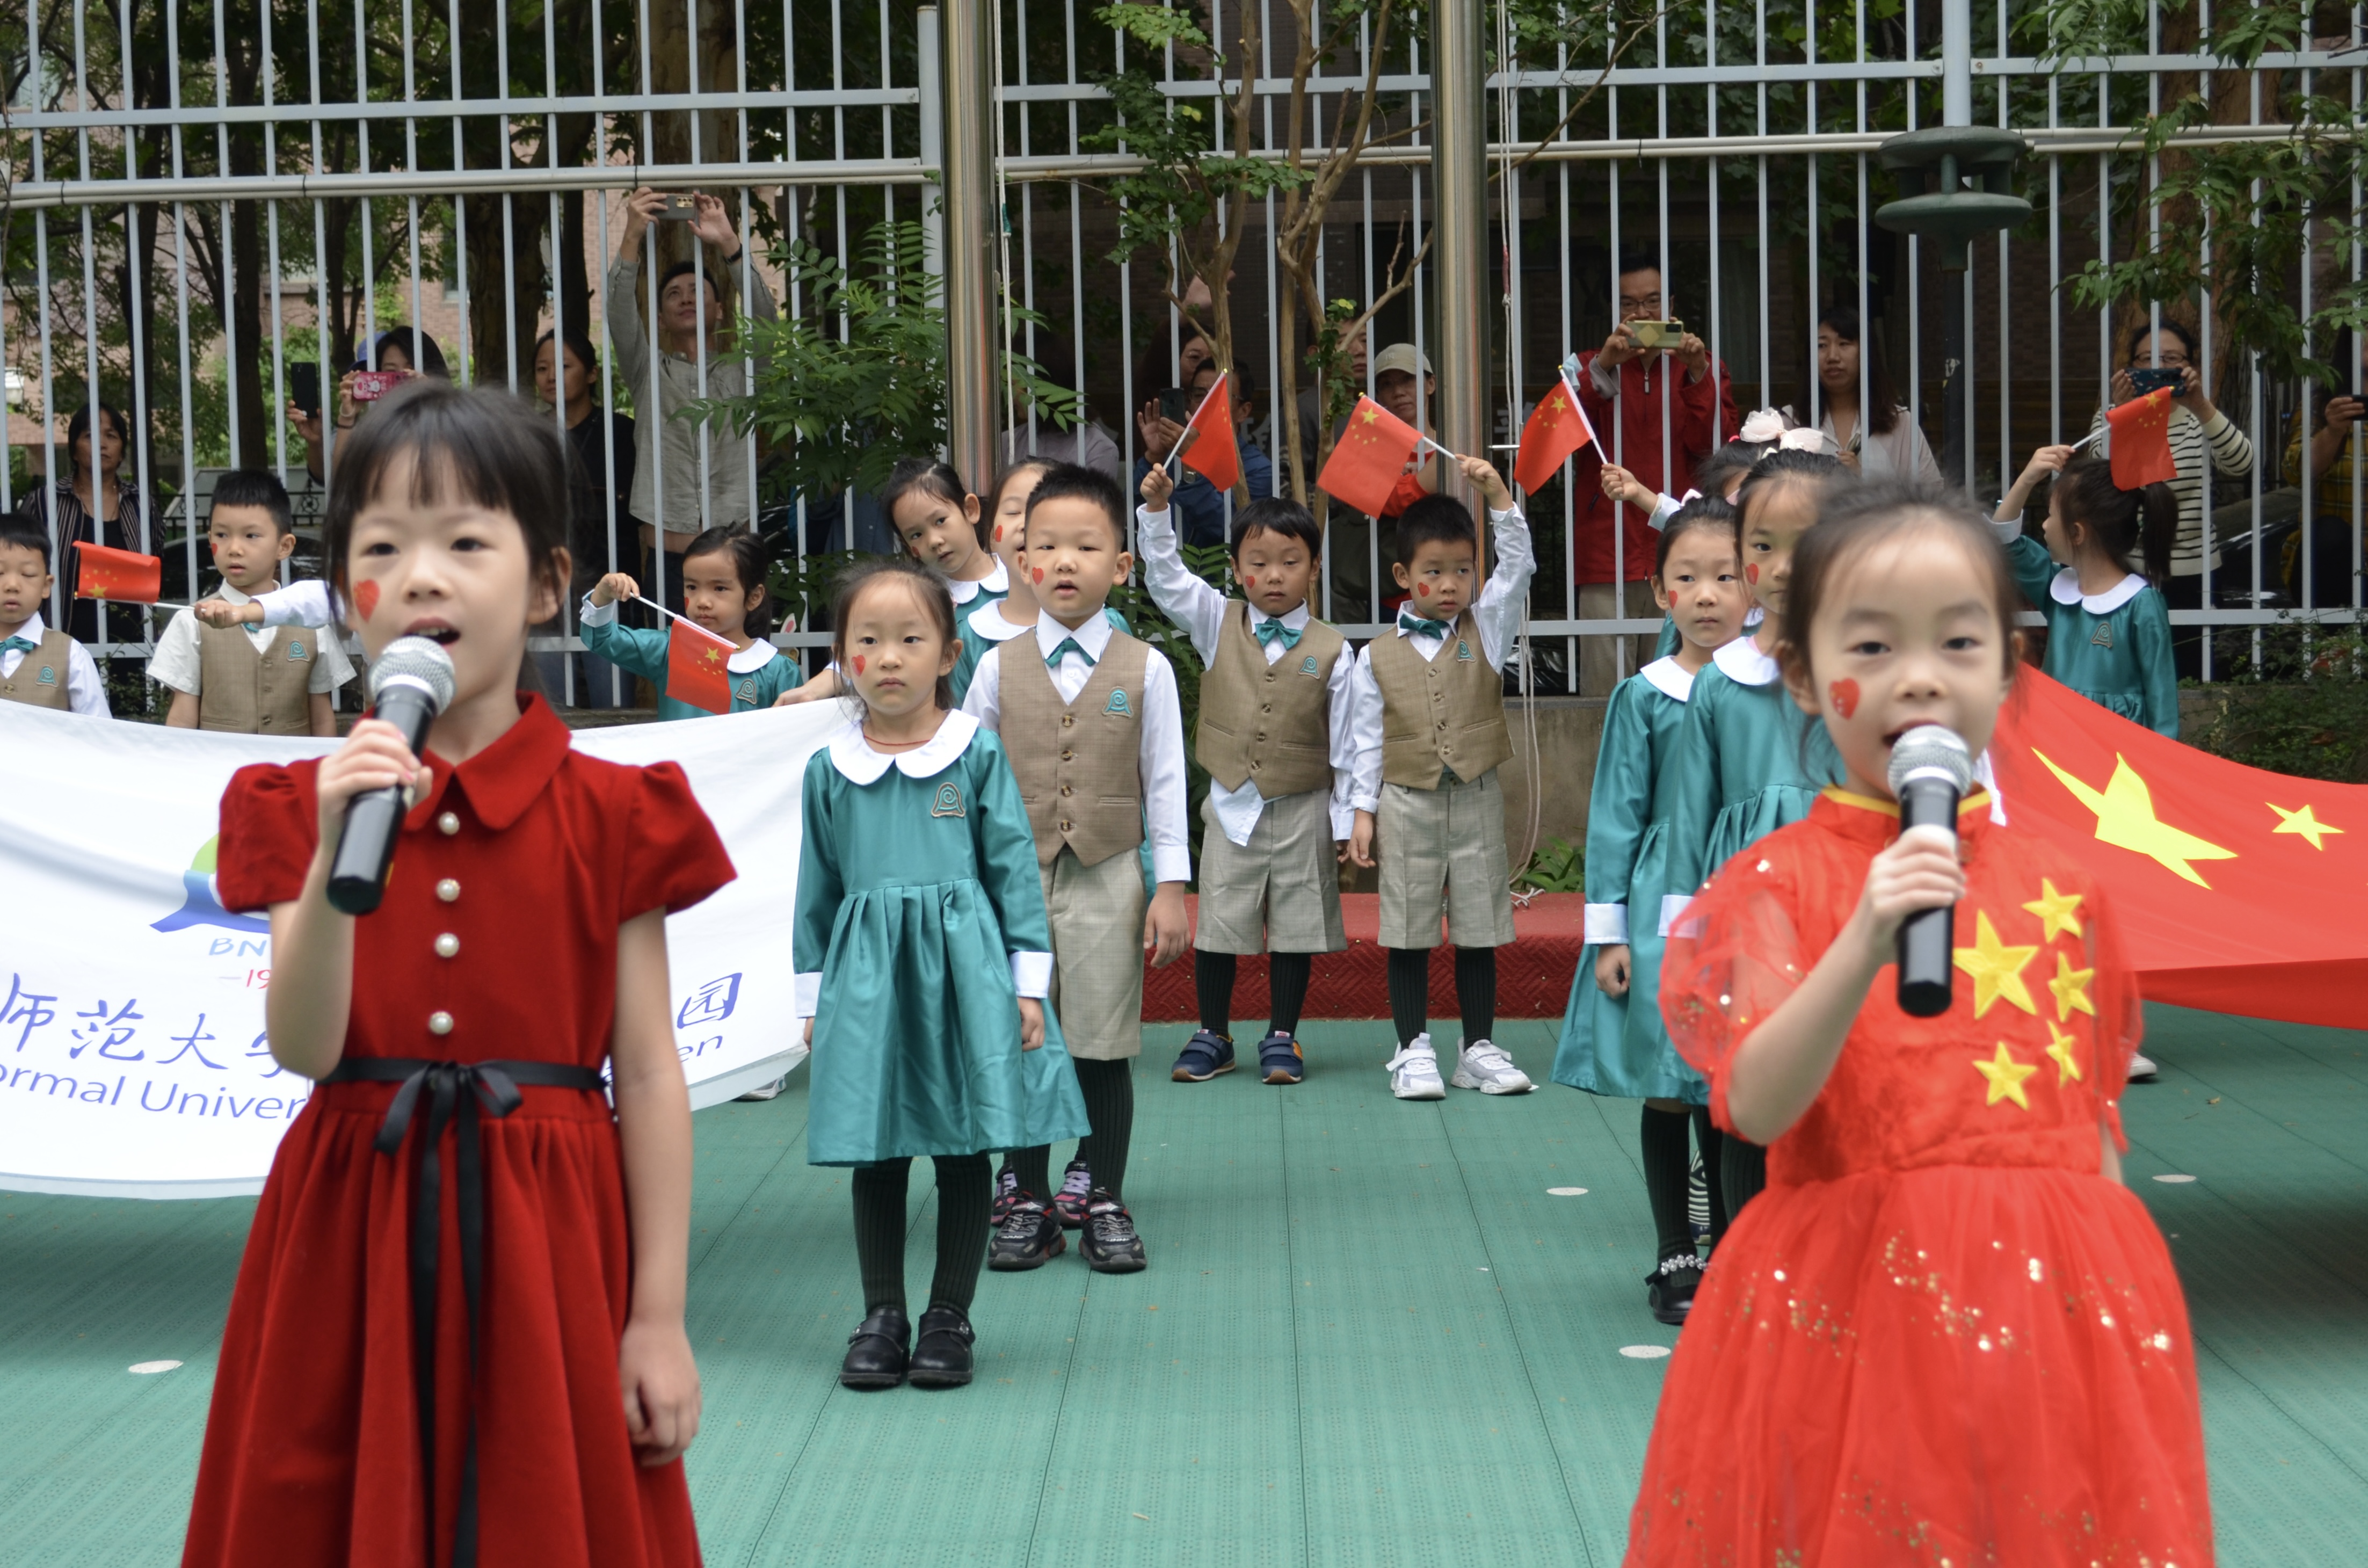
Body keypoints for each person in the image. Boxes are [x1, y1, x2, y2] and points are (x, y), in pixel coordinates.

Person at [182, 380, 728, 1567]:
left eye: (467, 542)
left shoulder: (618, 811)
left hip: (553, 1242)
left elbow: (647, 1068)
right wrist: (336, 845)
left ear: (545, 583)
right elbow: (306, 1046)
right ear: (347, 596)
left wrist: (658, 1316)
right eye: (382, 548)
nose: (422, 577)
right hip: (349, 1233)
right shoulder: (293, 803)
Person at [1624, 477, 2209, 1566]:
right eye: (1874, 645)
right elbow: (1756, 1103)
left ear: (2009, 668)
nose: (1923, 675)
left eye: (1959, 641)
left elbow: (2089, 1126)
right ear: (1802, 674)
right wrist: (1864, 937)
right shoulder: (1776, 883)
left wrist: (2114, 1319)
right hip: (1847, 1311)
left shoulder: (2063, 888)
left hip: (2041, 1308)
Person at [796, 556, 1091, 1390]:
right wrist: (813, 995)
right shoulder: (829, 769)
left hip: (964, 976)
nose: (888, 658)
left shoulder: (974, 754)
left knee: (964, 1143)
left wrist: (1026, 985)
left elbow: (1011, 869)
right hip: (867, 984)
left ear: (948, 655)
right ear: (843, 657)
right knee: (878, 1147)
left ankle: (948, 1316)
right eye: (867, 641)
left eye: (910, 639)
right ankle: (882, 1314)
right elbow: (816, 888)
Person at [961, 464, 1193, 1272]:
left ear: (1121, 566)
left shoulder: (1146, 668)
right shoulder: (994, 668)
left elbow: (1166, 782)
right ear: (1023, 563)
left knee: (1101, 1044)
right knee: (1024, 1037)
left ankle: (1103, 1199)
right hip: (1013, 885)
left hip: (1109, 874)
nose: (1065, 561)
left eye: (1087, 547)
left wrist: (1170, 887)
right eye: (1047, 546)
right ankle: (1026, 1200)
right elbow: (970, 780)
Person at [1551, 496, 1748, 1325]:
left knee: (1732, 1082)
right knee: (1670, 1082)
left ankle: (1736, 1246)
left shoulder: (1772, 689)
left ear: (1755, 585)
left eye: (1725, 577)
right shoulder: (1644, 695)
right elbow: (1616, 816)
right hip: (1663, 909)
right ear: (1662, 593)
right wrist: (1608, 935)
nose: (1706, 595)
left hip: (1749, 903)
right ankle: (1675, 1251)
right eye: (1687, 578)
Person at [1661, 448, 1851, 1219]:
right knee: (1748, 1076)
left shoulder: (1863, 670)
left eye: (1805, 544)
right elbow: (1689, 813)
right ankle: (1745, 1248)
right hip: (1746, 918)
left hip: (1843, 912)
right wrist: (1680, 928)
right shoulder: (1718, 680)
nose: (1780, 567)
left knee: (1840, 1075)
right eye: (1762, 546)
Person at [1136, 470, 1354, 1089]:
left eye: (1291, 561)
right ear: (1235, 569)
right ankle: (1215, 1032)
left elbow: (1350, 743)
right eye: (1259, 563)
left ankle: (1283, 1034)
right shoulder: (1216, 620)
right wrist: (1156, 513)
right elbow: (1167, 578)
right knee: (1220, 924)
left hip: (1304, 803)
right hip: (1232, 801)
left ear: (1314, 567)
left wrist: (1347, 818)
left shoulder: (1335, 650)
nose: (1275, 575)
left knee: (1295, 927)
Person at [1344, 459, 1539, 1101]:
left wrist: (1499, 496)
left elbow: (1518, 567)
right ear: (1403, 576)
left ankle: (1477, 1047)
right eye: (1434, 571)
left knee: (1481, 925)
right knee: (1408, 927)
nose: (1450, 584)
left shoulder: (1488, 629)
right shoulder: (1373, 656)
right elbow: (1364, 741)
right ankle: (1412, 1047)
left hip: (1476, 796)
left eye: (1462, 570)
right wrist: (1361, 813)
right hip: (1406, 801)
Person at [1571, 250, 1740, 695]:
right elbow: (1569, 433)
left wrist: (1699, 372)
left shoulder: (1701, 365)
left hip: (1684, 547)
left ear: (1671, 306)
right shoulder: (1589, 365)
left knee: (1679, 689)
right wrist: (1604, 366)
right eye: (1629, 304)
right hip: (1607, 550)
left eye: (1652, 302)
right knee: (1605, 694)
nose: (1642, 314)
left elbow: (1718, 450)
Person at [607, 188, 780, 596]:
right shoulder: (648, 371)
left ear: (720, 309)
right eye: (674, 294)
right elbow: (619, 314)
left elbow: (766, 319)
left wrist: (729, 243)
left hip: (735, 560)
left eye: (696, 291)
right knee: (664, 643)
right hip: (669, 562)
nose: (685, 298)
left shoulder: (745, 372)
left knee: (740, 643)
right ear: (661, 319)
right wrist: (632, 236)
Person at [2086, 319, 2254, 673]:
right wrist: (2124, 415)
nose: (2157, 367)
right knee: (2131, 674)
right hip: (2127, 569)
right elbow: (2101, 478)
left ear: (2189, 366)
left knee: (2193, 672)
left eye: (2171, 358)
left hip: (2195, 570)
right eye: (2146, 359)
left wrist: (2201, 405)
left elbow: (2242, 463)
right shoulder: (2112, 415)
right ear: (2131, 367)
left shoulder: (2198, 418)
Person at [774, 459, 1007, 708]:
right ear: (907, 546)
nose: (934, 541)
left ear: (970, 509)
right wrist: (812, 690)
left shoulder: (1019, 577)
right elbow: (865, 648)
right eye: (916, 534)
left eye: (940, 520)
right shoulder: (915, 598)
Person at [1994, 447, 2181, 737]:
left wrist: (2160, 762)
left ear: (2077, 533)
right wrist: (2027, 479)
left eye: (2051, 515)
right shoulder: (2057, 588)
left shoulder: (2140, 604)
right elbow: (2003, 540)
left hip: (2116, 749)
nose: (2044, 525)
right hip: (2054, 737)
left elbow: (2162, 702)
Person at [151, 471, 353, 735]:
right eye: (222, 535)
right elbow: (182, 718)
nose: (234, 548)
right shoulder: (192, 621)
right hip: (220, 762)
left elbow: (322, 717)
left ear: (284, 546)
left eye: (251, 536)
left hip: (292, 761)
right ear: (210, 539)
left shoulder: (312, 623)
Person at [950, 460, 1132, 712]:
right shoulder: (971, 638)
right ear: (991, 536)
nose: (1027, 524)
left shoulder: (1111, 625)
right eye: (1013, 512)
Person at [580, 526, 799, 717]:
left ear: (754, 597)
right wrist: (603, 593)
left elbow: (797, 738)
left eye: (720, 588)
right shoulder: (669, 649)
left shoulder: (779, 671)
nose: (702, 602)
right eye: (692, 587)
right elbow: (602, 638)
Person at [535, 324, 641, 706]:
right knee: (552, 712)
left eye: (564, 366)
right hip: (546, 591)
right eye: (542, 368)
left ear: (592, 373)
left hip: (609, 589)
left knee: (614, 708)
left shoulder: (621, 433)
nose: (551, 376)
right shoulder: (529, 436)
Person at [28, 402, 148, 648]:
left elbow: (154, 560)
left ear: (122, 452)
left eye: (111, 436)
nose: (102, 444)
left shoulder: (141, 503)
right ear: (74, 450)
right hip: (60, 641)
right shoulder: (46, 502)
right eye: (90, 436)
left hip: (132, 644)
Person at [1134, 360, 1276, 549]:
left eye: (1219, 396)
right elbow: (1132, 518)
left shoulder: (1259, 469)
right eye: (1200, 395)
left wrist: (1194, 464)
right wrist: (1155, 457)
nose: (1207, 404)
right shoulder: (1173, 458)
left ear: (1244, 411)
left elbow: (1228, 529)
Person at [288, 328, 452, 484]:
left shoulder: (454, 418)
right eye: (389, 372)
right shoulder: (362, 429)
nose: (402, 379)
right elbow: (338, 479)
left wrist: (432, 399)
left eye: (410, 371)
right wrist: (345, 418)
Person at [1797, 304, 1941, 480]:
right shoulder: (1790, 423)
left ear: (1866, 353)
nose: (1833, 356)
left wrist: (1863, 479)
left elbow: (1930, 491)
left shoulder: (1899, 423)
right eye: (1821, 345)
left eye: (1844, 344)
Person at [2281, 330, 2367, 608]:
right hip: (2331, 565)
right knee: (2332, 532)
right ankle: (2334, 630)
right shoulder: (2322, 404)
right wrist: (2333, 431)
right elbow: (2295, 472)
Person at [0, 515, 109, 714]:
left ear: (46, 585)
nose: (12, 585)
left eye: (28, 574)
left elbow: (97, 727)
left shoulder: (71, 654)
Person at [1003, 331, 1125, 484]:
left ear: (1041, 384)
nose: (1009, 394)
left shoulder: (1097, 449)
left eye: (1012, 384)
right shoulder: (1006, 443)